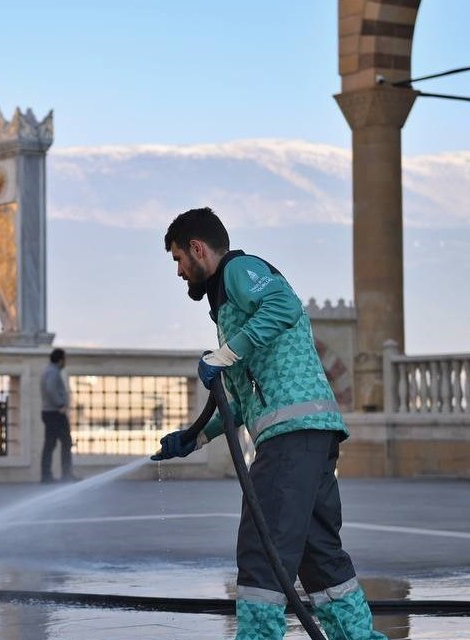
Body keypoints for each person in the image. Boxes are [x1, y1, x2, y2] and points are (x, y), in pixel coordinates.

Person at [153, 207, 385, 640]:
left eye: (179, 260)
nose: (180, 272)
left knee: (262, 551)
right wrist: (195, 437)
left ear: (197, 248)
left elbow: (284, 306)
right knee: (320, 557)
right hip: (312, 434)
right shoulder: (227, 305)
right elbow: (243, 401)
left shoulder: (241, 269)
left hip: (290, 438)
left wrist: (223, 356)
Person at [39, 348, 76, 483]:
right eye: (65, 359)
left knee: (51, 443)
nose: (65, 362)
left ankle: (47, 475)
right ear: (60, 360)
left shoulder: (49, 371)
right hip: (55, 413)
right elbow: (50, 388)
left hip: (49, 412)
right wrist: (60, 404)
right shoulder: (53, 372)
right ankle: (66, 475)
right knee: (65, 443)